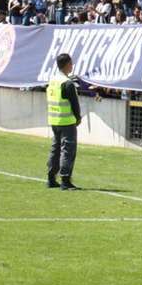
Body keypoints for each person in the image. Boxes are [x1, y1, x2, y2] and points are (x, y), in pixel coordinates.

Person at [46, 53, 82, 190]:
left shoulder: (53, 80)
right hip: (66, 121)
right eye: (71, 63)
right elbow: (74, 103)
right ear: (67, 64)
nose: (72, 65)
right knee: (67, 150)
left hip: (54, 120)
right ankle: (65, 181)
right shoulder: (67, 83)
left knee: (55, 150)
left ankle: (51, 178)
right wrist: (78, 118)